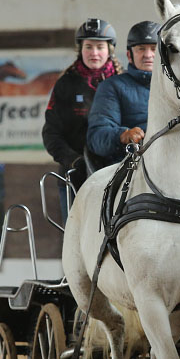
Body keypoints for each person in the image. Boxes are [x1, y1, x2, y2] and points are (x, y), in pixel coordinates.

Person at [87, 20, 180, 167]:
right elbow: (96, 138)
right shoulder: (111, 87)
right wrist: (123, 135)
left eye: (153, 49)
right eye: (141, 49)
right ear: (129, 55)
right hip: (132, 167)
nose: (148, 55)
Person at [42, 18, 122, 219]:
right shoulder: (65, 84)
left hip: (117, 173)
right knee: (75, 240)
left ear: (109, 50)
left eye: (99, 47)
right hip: (75, 175)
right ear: (80, 49)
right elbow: (51, 132)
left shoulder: (123, 82)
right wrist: (71, 160)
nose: (94, 53)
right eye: (88, 47)